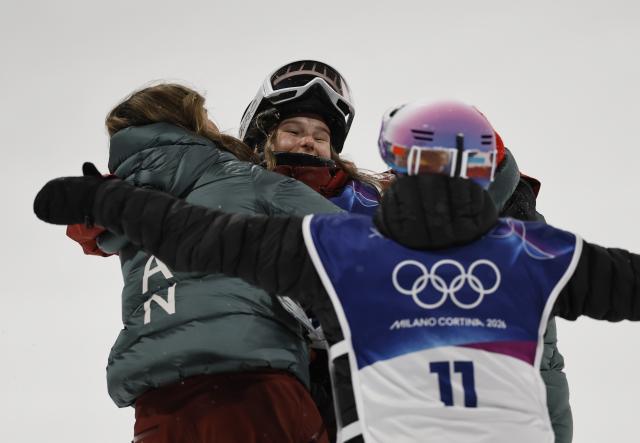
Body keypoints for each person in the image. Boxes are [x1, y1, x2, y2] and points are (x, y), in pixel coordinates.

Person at [33, 100, 640, 443]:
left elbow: (203, 239)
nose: (307, 141)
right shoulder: (537, 255)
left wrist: (107, 203)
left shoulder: (345, 243)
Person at [240, 62, 572, 442]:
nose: (308, 141)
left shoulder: (368, 197)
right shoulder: (232, 196)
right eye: (293, 131)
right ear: (262, 138)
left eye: (320, 134)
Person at [54, 82, 345, 443]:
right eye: (205, 117)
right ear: (187, 122)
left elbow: (84, 228)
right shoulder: (242, 178)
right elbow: (353, 239)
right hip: (250, 377)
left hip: (156, 397)